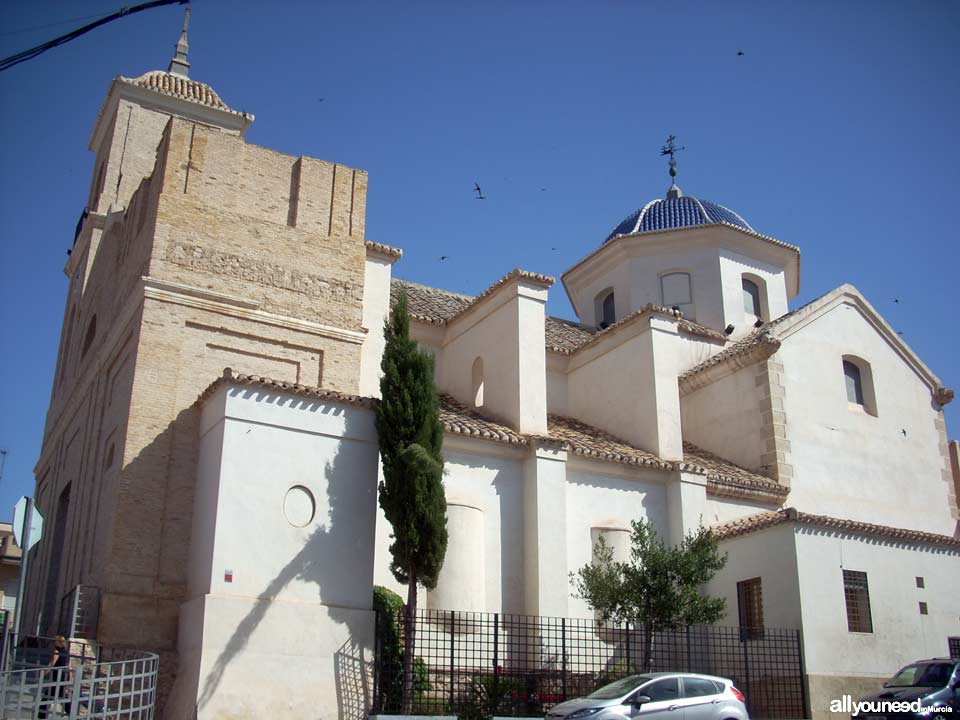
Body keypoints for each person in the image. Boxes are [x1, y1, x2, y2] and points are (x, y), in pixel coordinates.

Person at [38, 635, 71, 719]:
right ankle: (72, 714)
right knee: (62, 696)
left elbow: (52, 664)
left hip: (58, 677)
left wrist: (43, 673)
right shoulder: (65, 652)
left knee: (48, 696)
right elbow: (68, 665)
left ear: (57, 642)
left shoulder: (57, 652)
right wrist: (70, 677)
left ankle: (41, 715)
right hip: (63, 676)